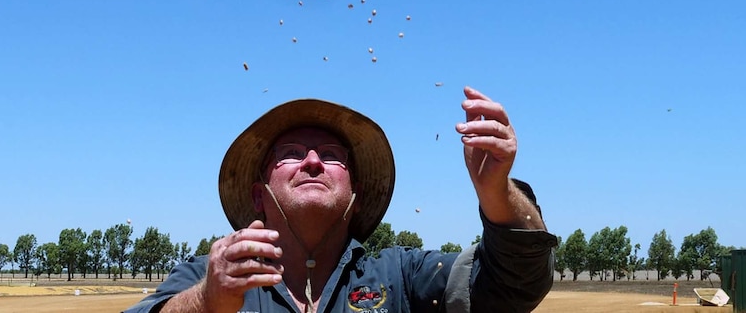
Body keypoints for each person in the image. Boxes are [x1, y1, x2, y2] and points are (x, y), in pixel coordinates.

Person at [124, 86, 557, 313]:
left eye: (331, 157)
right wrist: (207, 302)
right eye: (291, 154)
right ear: (259, 194)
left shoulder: (401, 277)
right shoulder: (208, 276)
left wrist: (497, 191)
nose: (312, 162)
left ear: (356, 192)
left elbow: (513, 287)